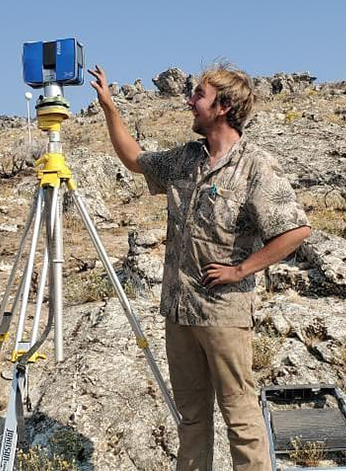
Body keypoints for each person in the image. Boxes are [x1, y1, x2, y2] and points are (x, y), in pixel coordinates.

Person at [88, 62, 311, 471]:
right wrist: (110, 109)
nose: (190, 102)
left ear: (223, 106)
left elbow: (295, 231)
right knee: (191, 418)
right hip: (180, 311)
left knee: (240, 417)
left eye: (198, 95)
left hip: (223, 315)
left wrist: (241, 270)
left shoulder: (255, 166)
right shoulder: (186, 158)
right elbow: (135, 159)